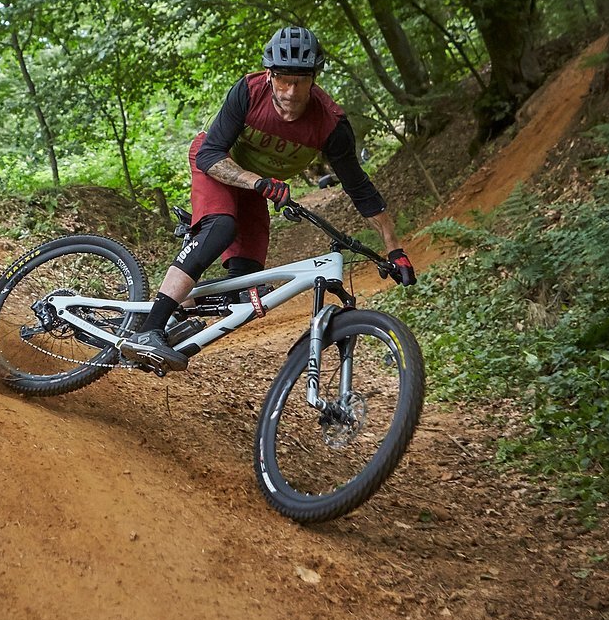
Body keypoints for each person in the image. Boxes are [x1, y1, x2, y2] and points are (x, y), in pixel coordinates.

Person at [121, 25, 417, 371]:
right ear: (269, 74)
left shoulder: (330, 125)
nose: (291, 92)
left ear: (314, 78)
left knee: (246, 285)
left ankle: (181, 311)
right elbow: (210, 155)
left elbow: (361, 189)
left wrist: (395, 248)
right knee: (221, 228)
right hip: (218, 166)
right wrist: (257, 181)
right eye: (282, 80)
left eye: (301, 81)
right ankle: (150, 328)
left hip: (254, 187)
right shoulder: (248, 92)